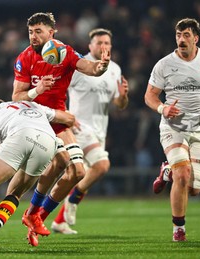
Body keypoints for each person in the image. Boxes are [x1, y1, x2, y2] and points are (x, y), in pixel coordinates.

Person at [12, 12, 110, 246]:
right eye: (30, 32)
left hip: (57, 120)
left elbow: (89, 68)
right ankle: (30, 212)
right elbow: (17, 96)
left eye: (38, 31)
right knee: (57, 163)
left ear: (51, 33)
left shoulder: (65, 53)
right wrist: (38, 90)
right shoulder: (25, 57)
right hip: (35, 119)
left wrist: (102, 66)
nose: (33, 36)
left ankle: (36, 216)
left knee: (78, 172)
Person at [144, 18, 200, 241]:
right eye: (178, 35)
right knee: (182, 173)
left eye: (186, 35)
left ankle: (167, 171)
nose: (181, 40)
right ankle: (178, 229)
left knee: (193, 190)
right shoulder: (164, 64)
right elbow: (150, 96)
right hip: (174, 128)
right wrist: (162, 108)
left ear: (196, 38)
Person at [0, 99, 75, 249]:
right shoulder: (32, 105)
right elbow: (68, 118)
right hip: (49, 141)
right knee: (15, 193)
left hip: (21, 135)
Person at [51, 28, 129, 234]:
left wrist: (123, 97)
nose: (103, 47)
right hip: (79, 128)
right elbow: (58, 91)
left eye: (106, 43)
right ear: (90, 46)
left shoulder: (115, 69)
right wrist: (66, 115)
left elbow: (119, 104)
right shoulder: (79, 65)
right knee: (102, 165)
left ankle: (59, 221)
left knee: (79, 175)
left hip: (99, 130)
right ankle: (72, 201)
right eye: (99, 43)